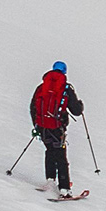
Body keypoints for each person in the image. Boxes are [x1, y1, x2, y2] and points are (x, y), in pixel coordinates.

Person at [28, 63, 85, 196]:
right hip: (57, 128)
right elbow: (76, 111)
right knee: (61, 155)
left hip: (42, 126)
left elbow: (33, 107)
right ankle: (64, 189)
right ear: (64, 72)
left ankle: (50, 180)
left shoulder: (41, 87)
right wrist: (80, 105)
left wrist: (36, 125)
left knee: (49, 150)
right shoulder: (66, 88)